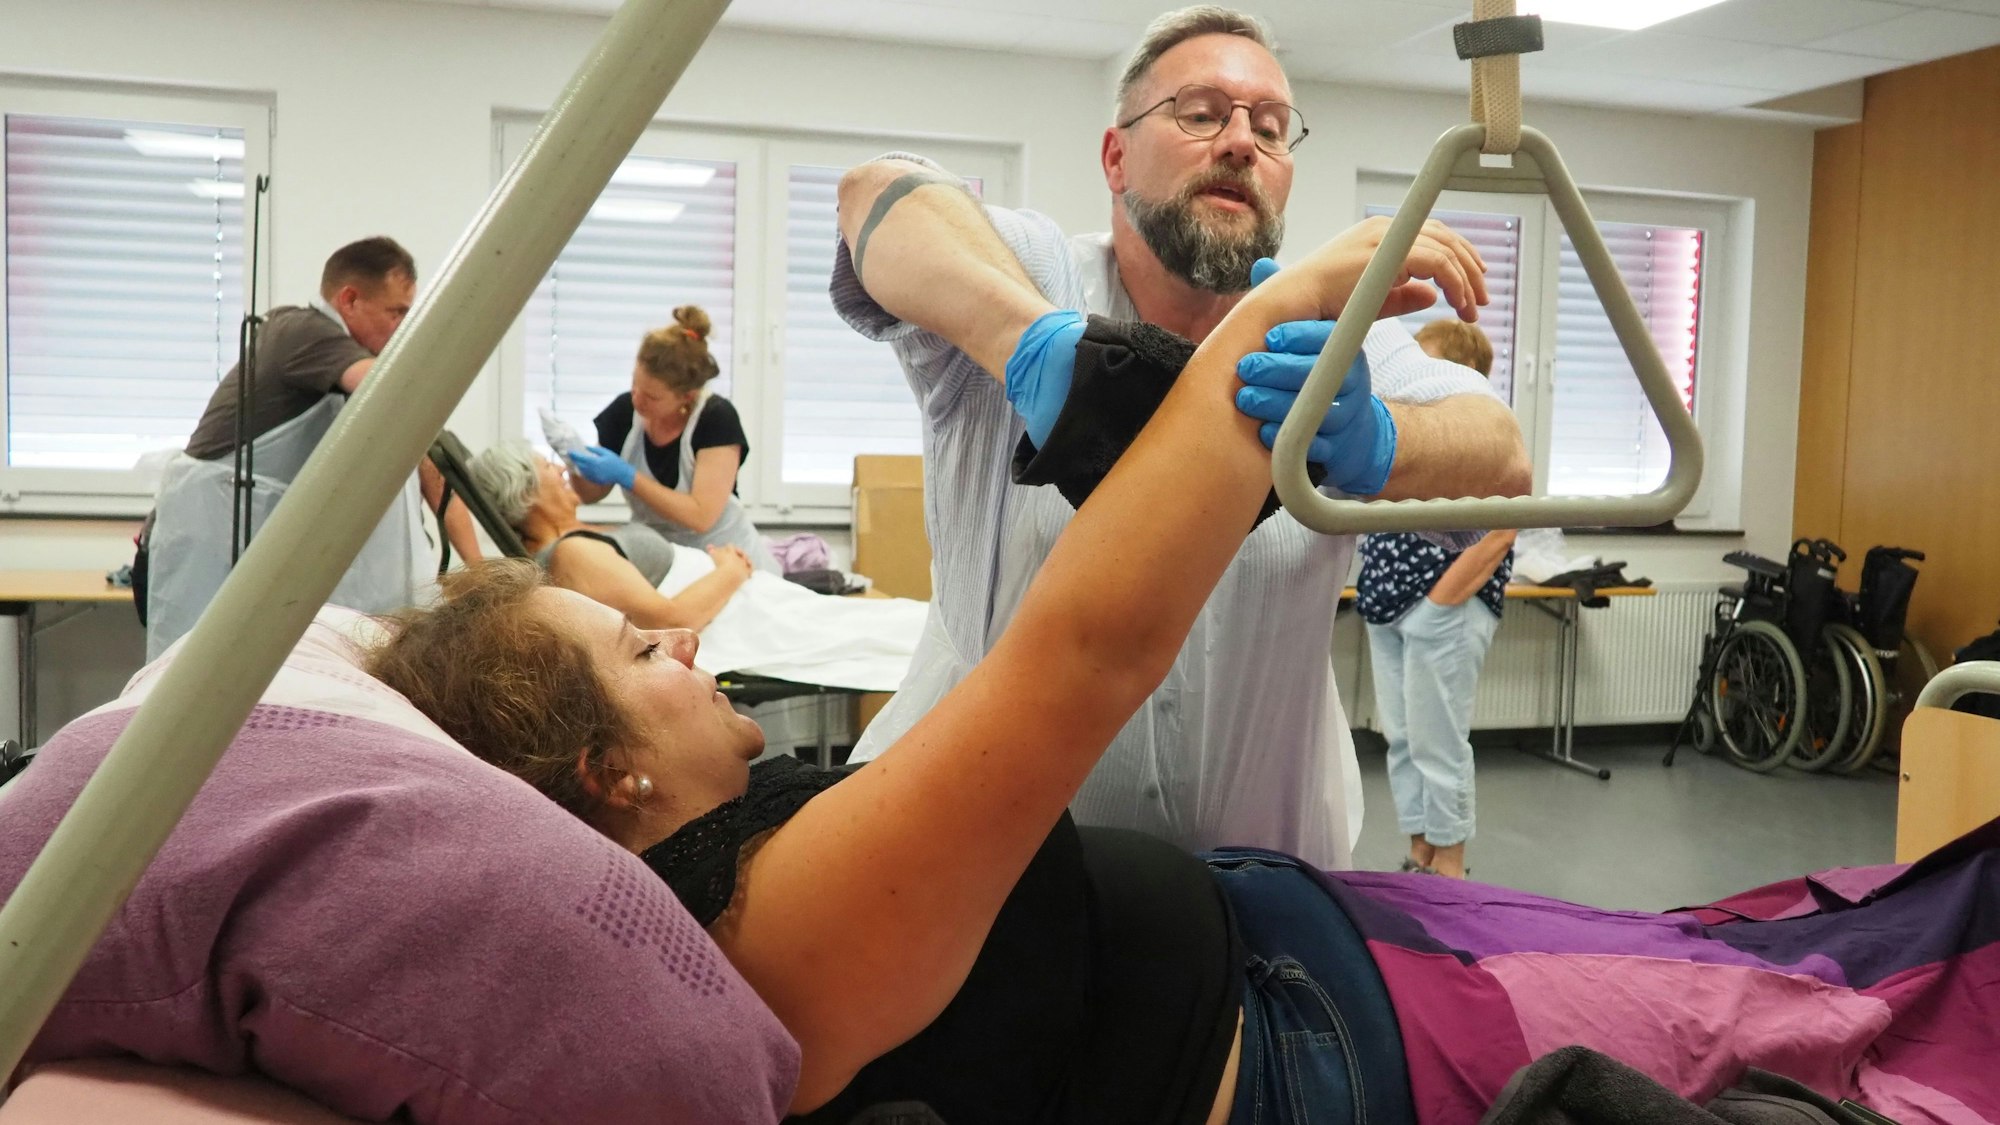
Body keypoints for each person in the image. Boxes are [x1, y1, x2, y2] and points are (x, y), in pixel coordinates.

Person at [368, 232, 1994, 1125]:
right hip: (1317, 1031)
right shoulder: (778, 915)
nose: (677, 634)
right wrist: (1274, 328)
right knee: (1786, 1009)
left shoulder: (659, 837)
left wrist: (486, 504)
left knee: (1742, 945)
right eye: (642, 655)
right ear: (601, 774)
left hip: (1303, 922)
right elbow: (1088, 643)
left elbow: (558, 596)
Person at [829, 5, 1533, 868]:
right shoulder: (1042, 274)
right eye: (1200, 113)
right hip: (984, 885)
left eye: (1271, 129)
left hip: (1264, 891)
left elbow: (1502, 451)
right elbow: (878, 193)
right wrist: (1038, 347)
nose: (1241, 142)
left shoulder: (1331, 340)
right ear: (1115, 154)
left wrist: (1378, 437)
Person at [139, 237, 479, 658]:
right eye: (396, 312)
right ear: (350, 299)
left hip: (261, 560)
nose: (402, 327)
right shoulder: (301, 331)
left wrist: (479, 573)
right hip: (211, 542)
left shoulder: (340, 364)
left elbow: (430, 463)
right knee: (192, 681)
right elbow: (397, 388)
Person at [1357, 319, 1515, 880]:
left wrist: (1443, 600)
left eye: (1424, 362)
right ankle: (1420, 850)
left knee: (1437, 742)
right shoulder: (1405, 427)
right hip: (1386, 603)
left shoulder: (1482, 433)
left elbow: (1503, 527)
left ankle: (1450, 864)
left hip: (1440, 608)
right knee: (1401, 739)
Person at [564, 306, 781, 574]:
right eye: (635, 385)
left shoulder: (715, 419)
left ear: (686, 397)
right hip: (666, 562)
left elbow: (700, 516)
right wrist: (573, 460)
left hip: (729, 560)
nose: (637, 399)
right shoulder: (625, 412)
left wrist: (629, 476)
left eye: (652, 396)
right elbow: (591, 494)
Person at [469, 438, 753, 631]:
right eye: (548, 466)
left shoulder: (575, 537)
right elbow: (668, 623)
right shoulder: (574, 554)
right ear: (526, 493)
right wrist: (731, 571)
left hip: (735, 602)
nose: (560, 468)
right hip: (728, 609)